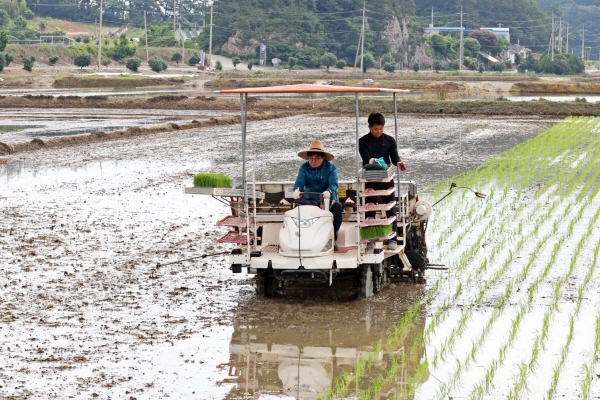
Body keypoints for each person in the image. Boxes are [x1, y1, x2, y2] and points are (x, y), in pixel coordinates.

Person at [358, 113, 406, 250]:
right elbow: (367, 159)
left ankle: (393, 239)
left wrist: (399, 163)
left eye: (380, 129)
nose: (378, 132)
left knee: (391, 208)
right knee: (370, 210)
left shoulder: (390, 140)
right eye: (375, 129)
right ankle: (370, 240)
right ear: (369, 127)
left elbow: (395, 157)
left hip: (386, 179)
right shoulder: (363, 141)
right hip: (370, 178)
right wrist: (376, 162)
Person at [293, 140, 343, 249]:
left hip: (327, 199)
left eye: (317, 158)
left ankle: (332, 237)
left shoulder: (330, 168)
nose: (313, 161)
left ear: (323, 158)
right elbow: (299, 183)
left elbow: (334, 184)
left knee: (338, 209)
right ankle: (301, 240)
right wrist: (296, 192)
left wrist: (329, 191)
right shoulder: (304, 168)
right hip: (309, 199)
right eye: (311, 158)